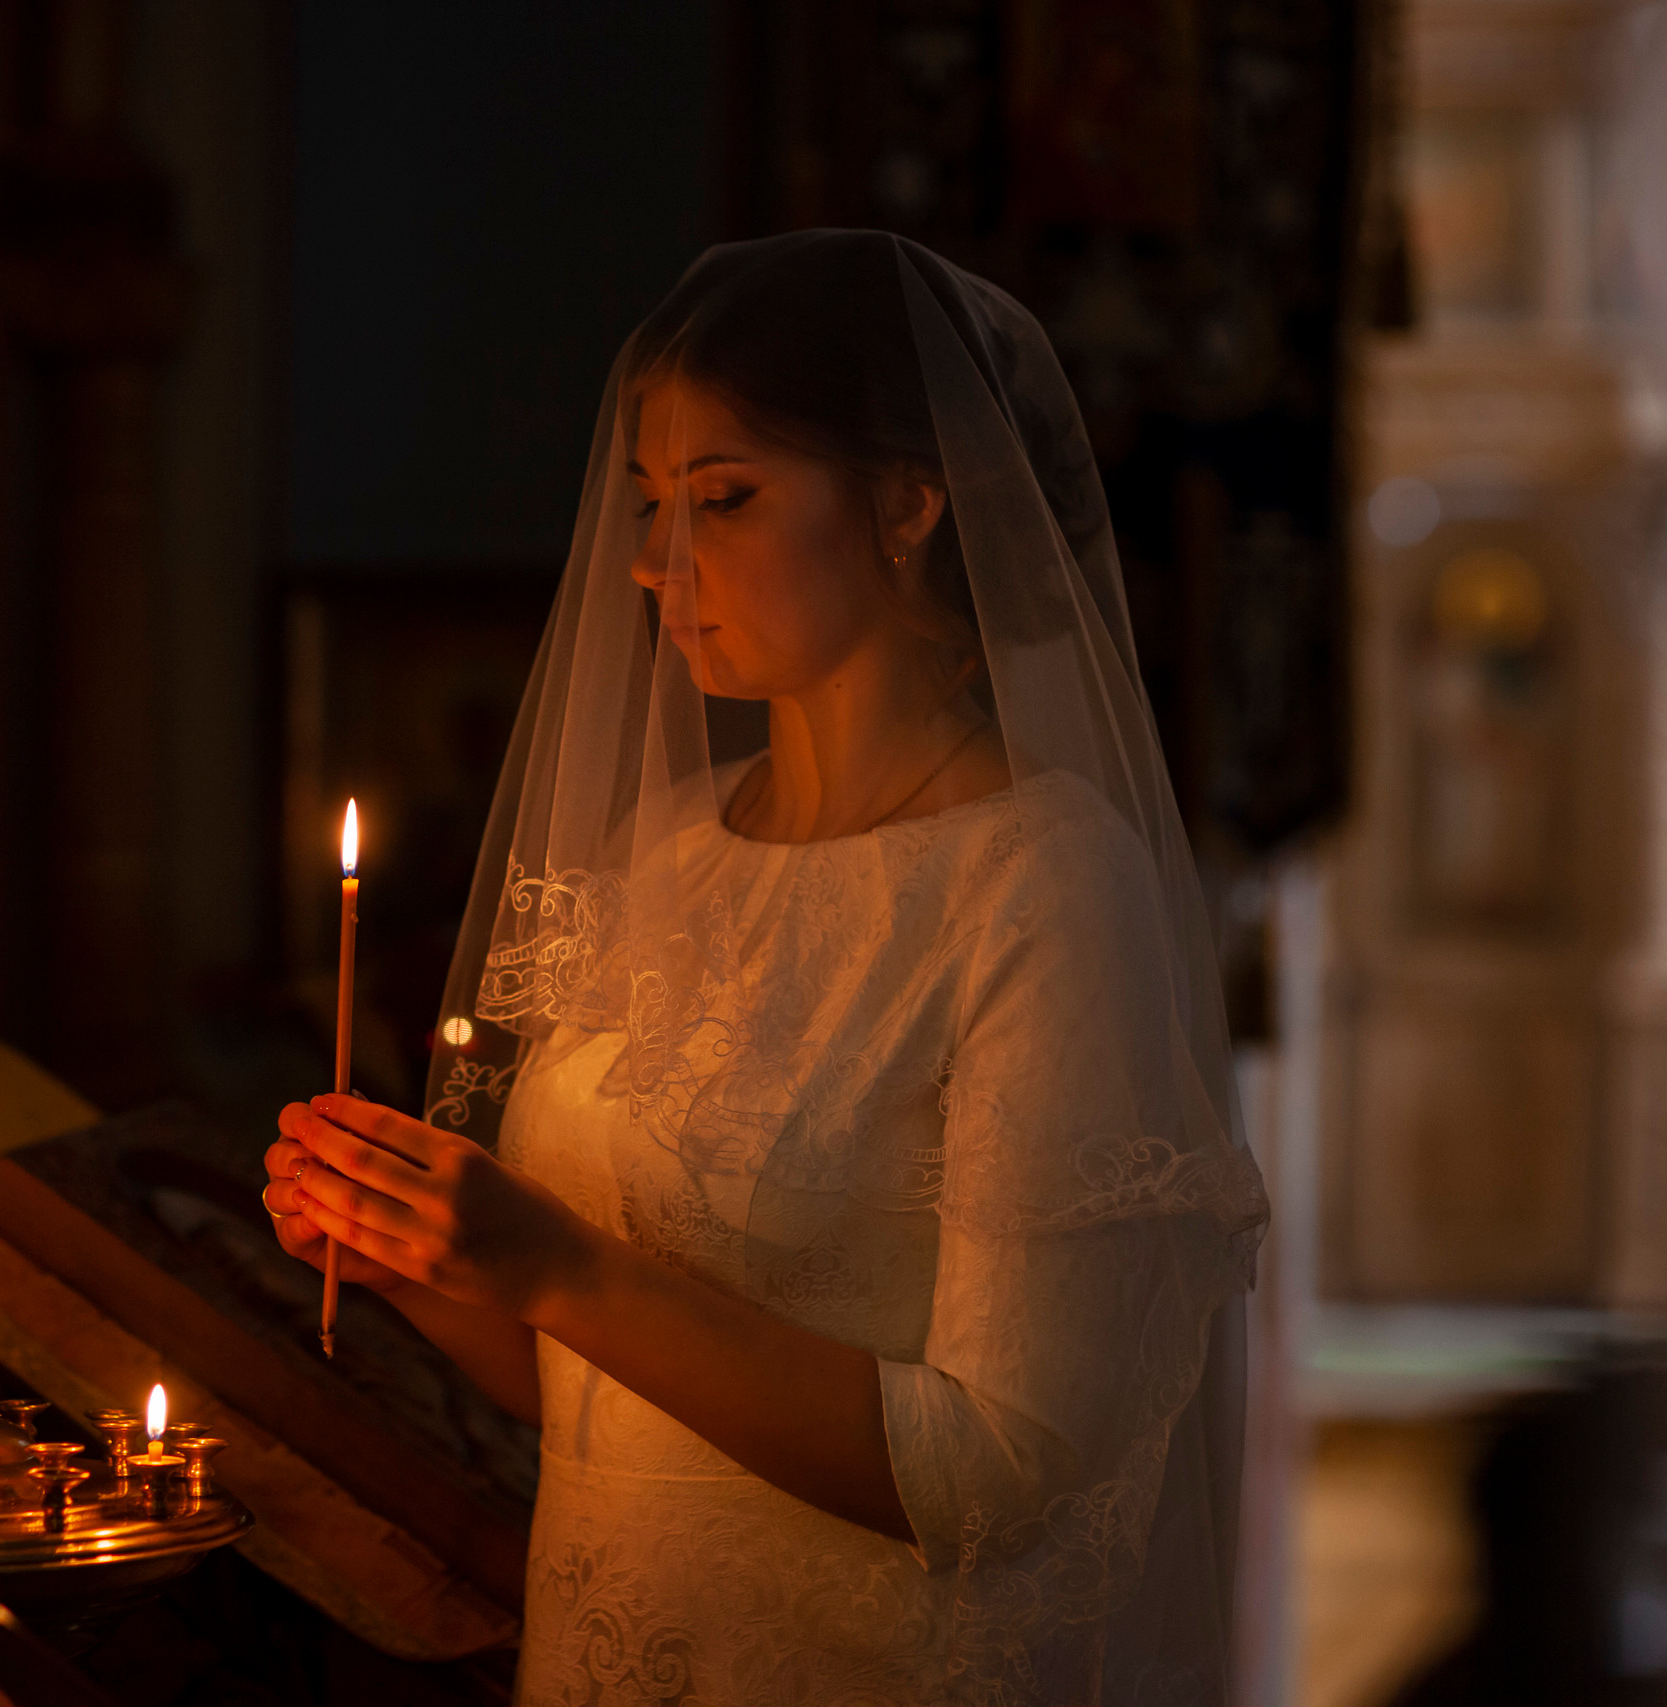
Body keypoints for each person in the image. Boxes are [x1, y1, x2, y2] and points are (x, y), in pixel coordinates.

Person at [262, 231, 1269, 1705]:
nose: (652, 562)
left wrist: (551, 1263)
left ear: (911, 506)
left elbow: (1003, 1474)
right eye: (648, 501)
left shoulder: (1039, 881)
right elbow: (603, 1397)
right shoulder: (669, 847)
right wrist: (417, 1253)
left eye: (724, 498)